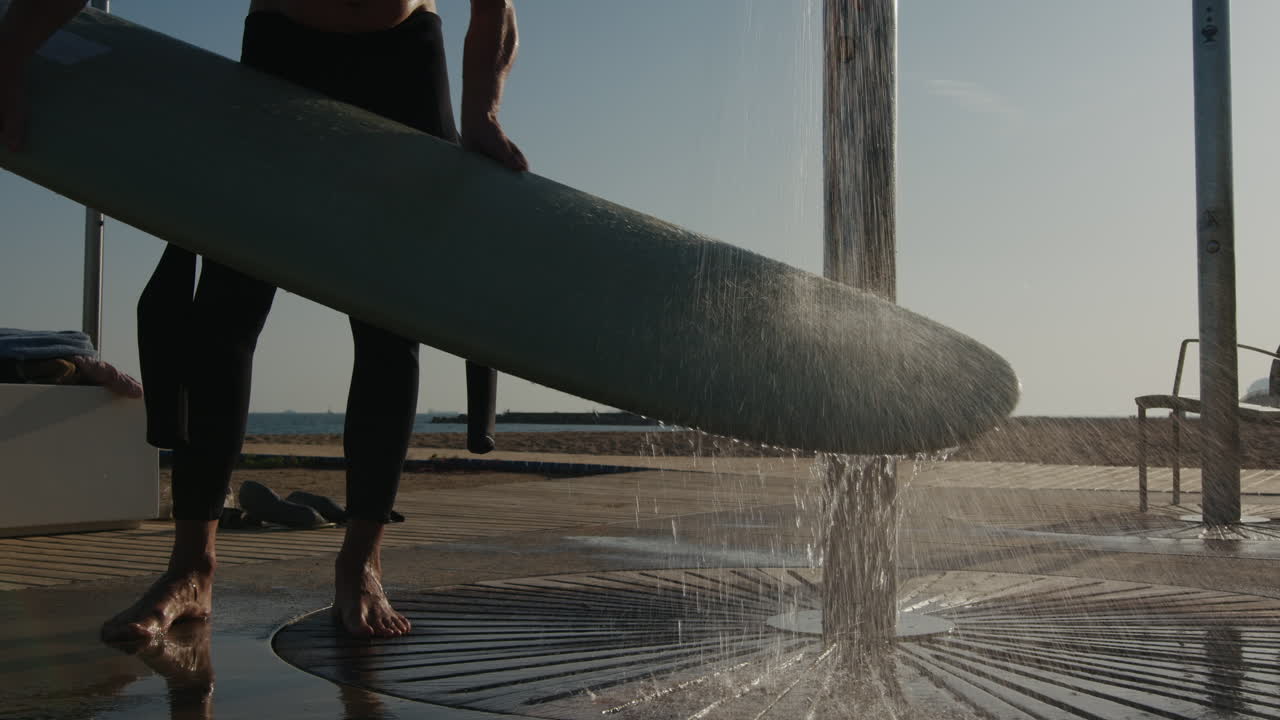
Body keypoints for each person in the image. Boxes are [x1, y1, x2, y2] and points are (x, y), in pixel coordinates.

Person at [0, 0, 526, 640]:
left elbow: (493, 5)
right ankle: (191, 568)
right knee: (222, 310)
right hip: (281, 51)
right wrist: (9, 58)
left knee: (389, 323)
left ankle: (361, 563)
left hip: (403, 59)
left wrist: (482, 114)